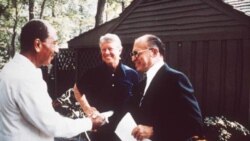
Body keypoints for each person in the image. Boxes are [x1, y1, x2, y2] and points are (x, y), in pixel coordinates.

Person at [0, 19, 105, 141]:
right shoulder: (25, 77)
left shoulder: (10, 69)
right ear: (37, 44)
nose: (57, 50)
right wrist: (90, 123)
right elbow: (52, 125)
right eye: (54, 43)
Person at [128, 34, 204, 141]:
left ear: (154, 52)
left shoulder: (175, 79)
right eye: (132, 54)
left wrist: (154, 131)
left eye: (136, 53)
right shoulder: (141, 85)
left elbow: (194, 125)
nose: (133, 58)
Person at [74, 33, 139, 141]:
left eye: (110, 49)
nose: (106, 52)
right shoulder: (92, 73)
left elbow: (137, 102)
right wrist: (88, 109)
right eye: (103, 49)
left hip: (125, 131)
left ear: (120, 50)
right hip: (101, 131)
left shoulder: (132, 74)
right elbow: (77, 89)